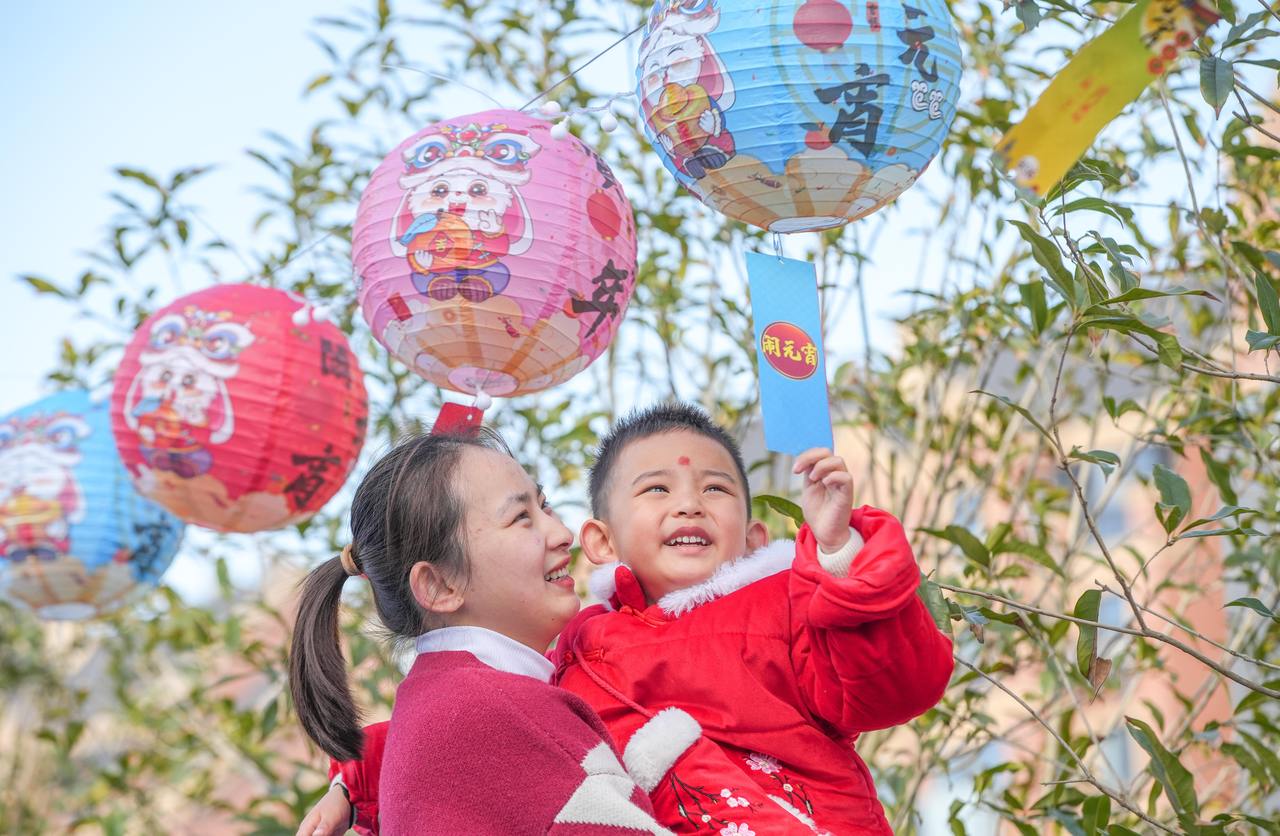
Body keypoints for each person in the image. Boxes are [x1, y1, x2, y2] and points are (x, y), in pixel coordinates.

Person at [309, 403, 953, 834]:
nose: (690, 505)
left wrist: (841, 559)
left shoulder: (786, 605)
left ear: (755, 538)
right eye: (657, 489)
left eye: (716, 488)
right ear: (603, 541)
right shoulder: (578, 644)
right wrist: (359, 776)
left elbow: (893, 686)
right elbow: (487, 737)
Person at [289, 431, 697, 836]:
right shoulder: (497, 710)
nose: (563, 534)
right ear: (439, 585)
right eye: (521, 517)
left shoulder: (452, 701)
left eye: (544, 504)